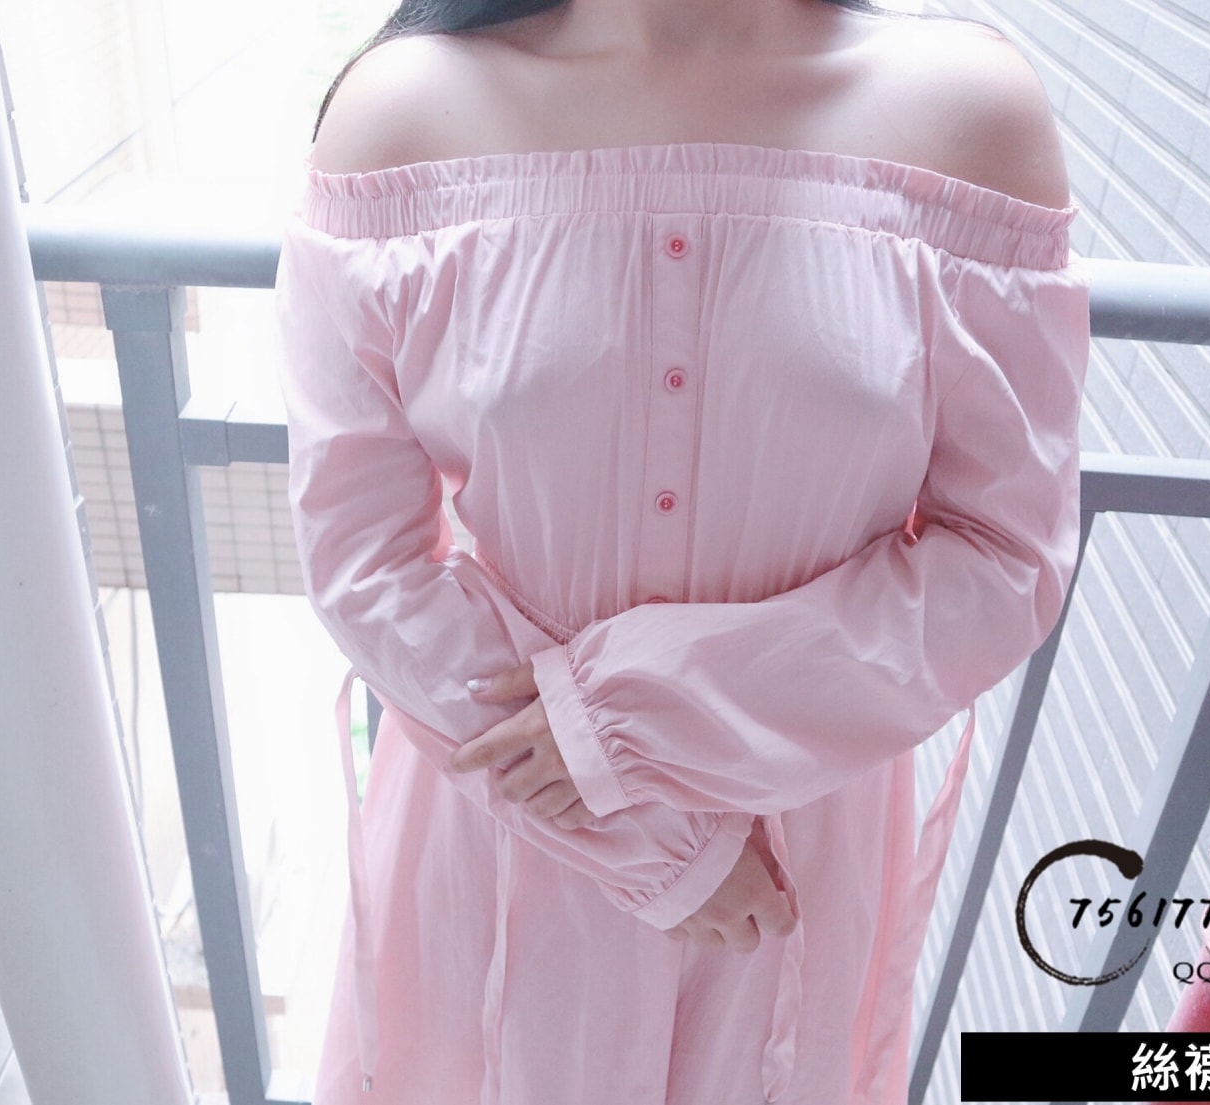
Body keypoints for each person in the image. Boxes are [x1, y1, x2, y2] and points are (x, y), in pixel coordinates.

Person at [272, 1, 1090, 1101]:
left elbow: (1002, 555)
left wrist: (631, 727)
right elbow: (363, 559)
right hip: (504, 815)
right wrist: (651, 830)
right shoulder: (401, 114)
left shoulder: (967, 117)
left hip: (787, 835)